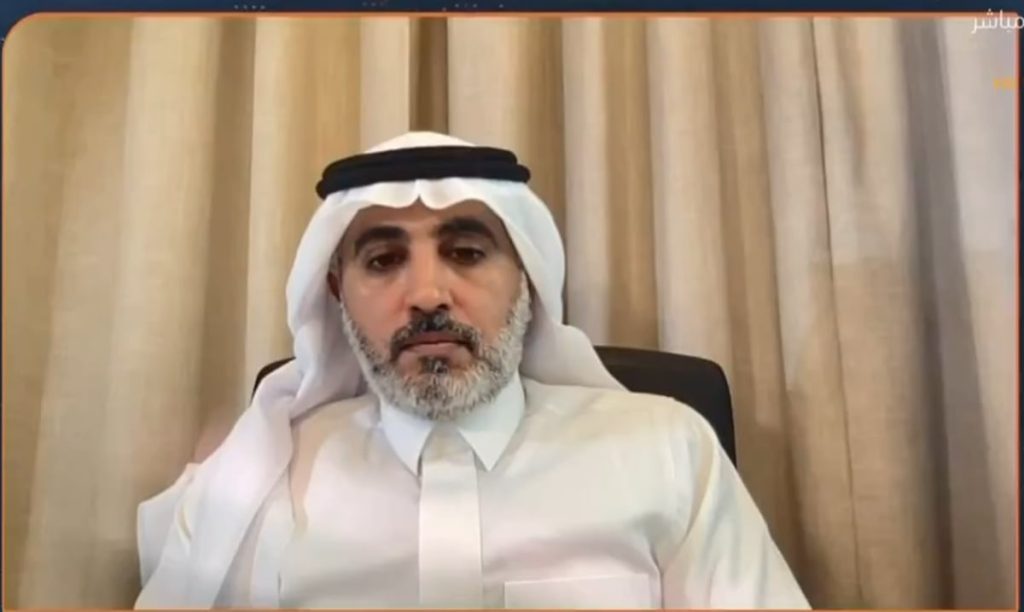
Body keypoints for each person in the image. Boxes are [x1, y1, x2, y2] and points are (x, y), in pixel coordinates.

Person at [135, 131, 809, 609]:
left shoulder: (665, 451)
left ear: (527, 279)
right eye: (383, 261)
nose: (428, 294)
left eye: (465, 252)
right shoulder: (255, 482)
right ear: (338, 293)